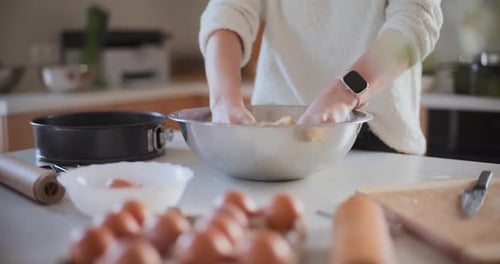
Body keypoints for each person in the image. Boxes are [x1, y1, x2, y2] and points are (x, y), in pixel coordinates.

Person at [199, 0, 443, 155]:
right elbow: (228, 11)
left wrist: (344, 93)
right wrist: (224, 102)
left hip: (379, 136)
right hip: (274, 135)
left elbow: (415, 21)